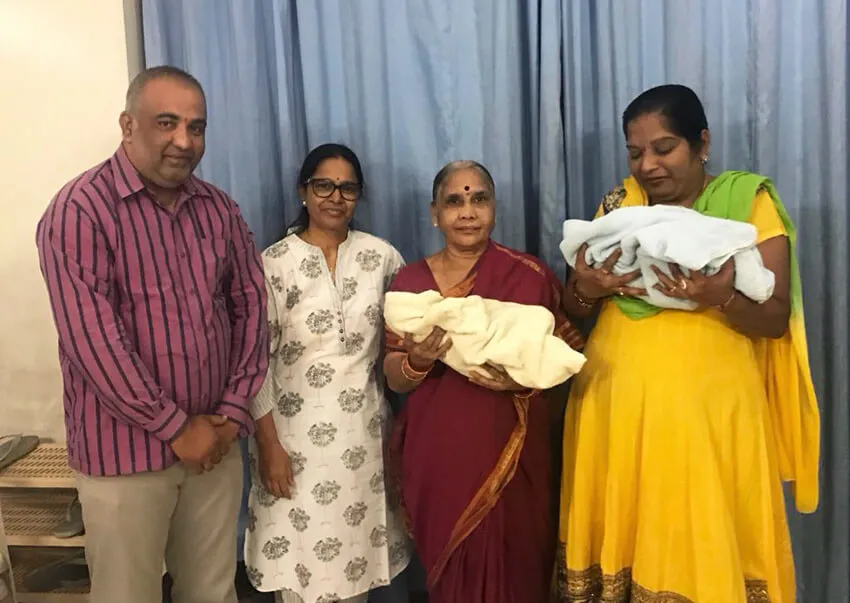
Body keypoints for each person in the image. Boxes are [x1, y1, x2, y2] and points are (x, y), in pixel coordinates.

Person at [557, 84, 819, 602]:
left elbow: (774, 319)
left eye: (664, 148)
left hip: (709, 418)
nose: (647, 166)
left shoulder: (748, 202)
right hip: (614, 407)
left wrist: (721, 298)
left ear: (702, 143)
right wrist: (588, 289)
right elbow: (575, 308)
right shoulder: (619, 205)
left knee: (704, 538)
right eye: (635, 153)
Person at [35, 66, 269, 603]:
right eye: (167, 123)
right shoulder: (79, 211)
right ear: (127, 125)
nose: (184, 141)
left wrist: (233, 412)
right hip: (124, 455)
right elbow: (93, 340)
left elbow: (252, 307)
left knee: (212, 592)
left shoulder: (219, 209)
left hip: (214, 444)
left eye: (196, 127)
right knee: (126, 594)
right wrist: (174, 427)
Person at [384, 161, 585, 603]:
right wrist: (417, 361)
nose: (467, 211)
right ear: (435, 213)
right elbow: (394, 377)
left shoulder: (530, 276)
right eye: (454, 201)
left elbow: (566, 363)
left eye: (479, 199)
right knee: (451, 574)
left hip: (516, 458)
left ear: (494, 208)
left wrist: (520, 382)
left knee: (518, 571)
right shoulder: (411, 284)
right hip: (439, 461)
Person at [244, 143, 410, 603]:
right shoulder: (272, 264)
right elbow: (254, 364)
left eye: (347, 188)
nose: (336, 197)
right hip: (291, 447)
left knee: (356, 573)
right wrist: (269, 445)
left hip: (365, 444)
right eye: (324, 185)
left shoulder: (382, 259)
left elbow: (401, 346)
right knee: (299, 576)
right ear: (303, 191)